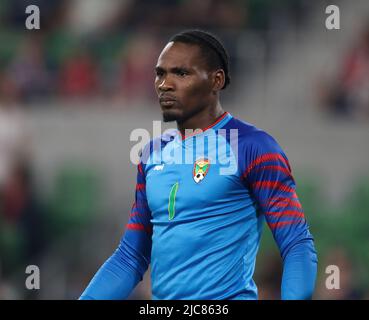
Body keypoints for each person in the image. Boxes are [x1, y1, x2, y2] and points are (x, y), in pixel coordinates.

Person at [79, 30, 317, 300]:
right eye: (160, 73)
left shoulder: (252, 148)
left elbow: (296, 243)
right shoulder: (152, 153)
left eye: (181, 73)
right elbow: (130, 257)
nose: (165, 84)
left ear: (217, 80)